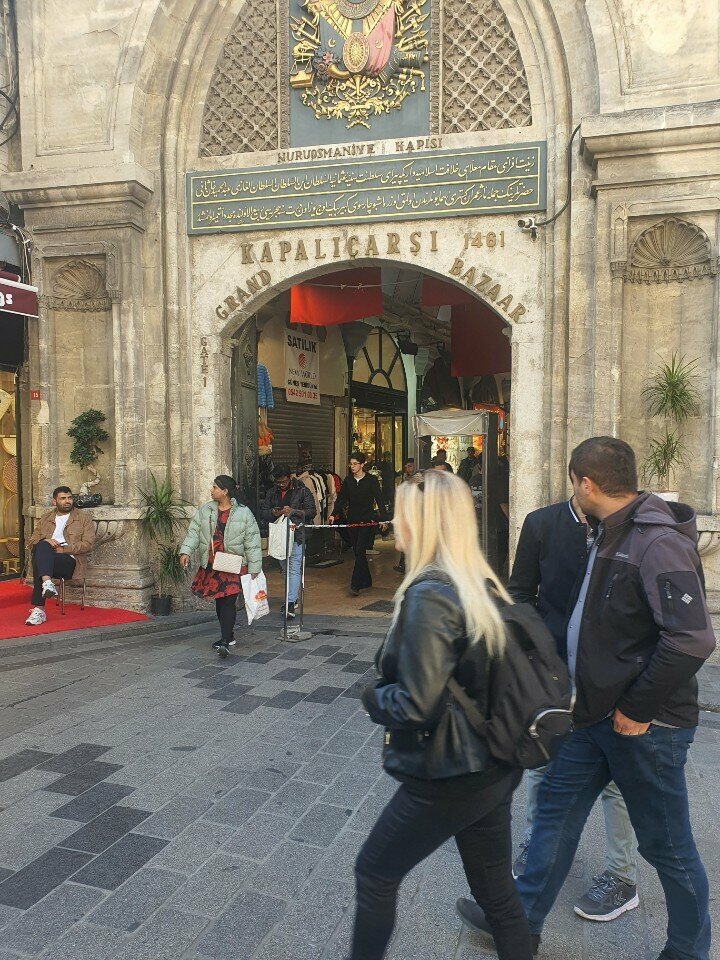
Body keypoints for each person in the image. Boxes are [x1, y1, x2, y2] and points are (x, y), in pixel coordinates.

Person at [457, 437, 716, 960]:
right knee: (554, 816)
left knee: (666, 845)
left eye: (574, 481)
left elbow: (692, 639)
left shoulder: (656, 543)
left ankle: (688, 950)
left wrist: (637, 708)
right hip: (590, 714)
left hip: (646, 727)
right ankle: (520, 925)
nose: (572, 490)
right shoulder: (607, 530)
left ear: (587, 483)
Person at [352, 469, 534, 960]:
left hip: (450, 773)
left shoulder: (429, 594)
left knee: (374, 872)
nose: (392, 521)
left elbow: (416, 704)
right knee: (498, 896)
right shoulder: (478, 582)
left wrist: (372, 697)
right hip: (493, 764)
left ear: (420, 521)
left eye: (399, 513)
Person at [507, 494, 640, 919]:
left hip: (609, 675)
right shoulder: (541, 523)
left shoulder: (628, 528)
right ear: (581, 482)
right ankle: (537, 845)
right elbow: (520, 592)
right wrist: (536, 650)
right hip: (553, 672)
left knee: (615, 776)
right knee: (541, 759)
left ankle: (621, 875)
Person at [179, 475, 262, 658]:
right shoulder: (206, 510)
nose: (212, 490)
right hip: (213, 564)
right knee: (219, 601)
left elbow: (252, 541)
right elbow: (194, 532)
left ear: (225, 491)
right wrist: (185, 551)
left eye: (215, 487)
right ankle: (228, 634)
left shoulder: (244, 513)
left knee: (229, 602)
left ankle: (224, 641)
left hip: (233, 565)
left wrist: (254, 567)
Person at [24, 486, 95, 626]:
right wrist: (46, 541)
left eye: (69, 498)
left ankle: (40, 608)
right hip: (48, 561)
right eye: (63, 498)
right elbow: (31, 541)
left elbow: (88, 544)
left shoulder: (83, 518)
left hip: (69, 562)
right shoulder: (46, 518)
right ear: (54, 501)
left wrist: (64, 549)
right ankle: (47, 584)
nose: (67, 501)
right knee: (42, 546)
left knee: (39, 557)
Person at [330, 452, 389, 597]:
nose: (352, 466)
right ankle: (367, 580)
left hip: (367, 520)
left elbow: (380, 500)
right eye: (350, 464)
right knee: (358, 552)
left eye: (355, 464)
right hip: (352, 520)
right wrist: (333, 514)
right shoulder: (348, 481)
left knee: (361, 549)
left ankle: (355, 584)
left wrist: (384, 519)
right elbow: (342, 499)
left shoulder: (371, 480)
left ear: (362, 464)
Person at [261, 464, 315, 619]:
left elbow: (312, 511)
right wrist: (273, 512)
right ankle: (292, 596)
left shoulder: (302, 490)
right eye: (278, 482)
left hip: (297, 534)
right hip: (280, 535)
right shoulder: (272, 492)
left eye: (283, 482)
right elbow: (264, 512)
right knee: (285, 569)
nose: (281, 485)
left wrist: (293, 511)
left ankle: (290, 602)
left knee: (294, 568)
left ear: (290, 478)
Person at [393, 459, 416, 574]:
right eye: (406, 467)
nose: (408, 469)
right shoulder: (405, 479)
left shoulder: (418, 479)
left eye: (410, 466)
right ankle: (403, 564)